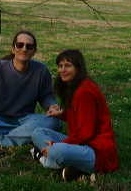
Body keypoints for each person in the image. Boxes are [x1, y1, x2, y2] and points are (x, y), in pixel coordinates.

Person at [31, 49, 119, 181]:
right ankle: (70, 166)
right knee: (37, 132)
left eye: (68, 66)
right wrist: (60, 114)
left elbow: (86, 133)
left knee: (57, 151)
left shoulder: (85, 92)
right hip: (79, 143)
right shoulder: (74, 87)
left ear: (78, 68)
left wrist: (55, 145)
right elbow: (79, 116)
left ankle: (44, 158)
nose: (62, 70)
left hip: (95, 150)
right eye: (60, 66)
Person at [0, 30, 61, 147]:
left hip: (26, 119)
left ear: (34, 52)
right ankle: (23, 135)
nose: (24, 49)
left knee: (54, 122)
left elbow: (46, 96)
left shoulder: (41, 70)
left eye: (29, 46)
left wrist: (52, 106)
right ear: (13, 49)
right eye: (20, 45)